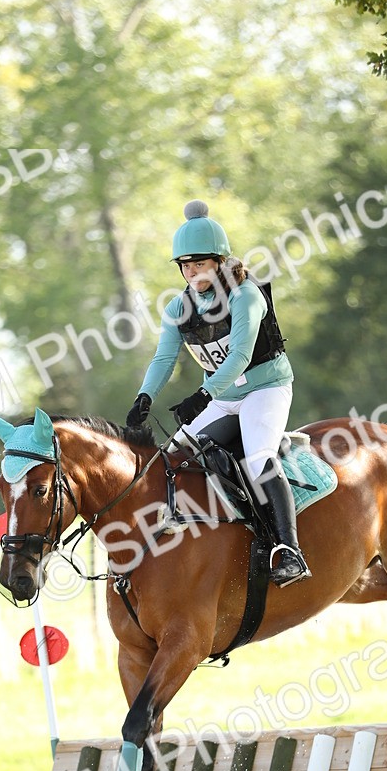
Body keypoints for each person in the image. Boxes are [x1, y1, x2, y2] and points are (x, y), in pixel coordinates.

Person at [126, 200, 310, 587]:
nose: (192, 273)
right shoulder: (180, 307)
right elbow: (164, 358)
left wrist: (202, 394)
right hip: (223, 395)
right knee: (170, 458)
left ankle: (290, 550)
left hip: (266, 388)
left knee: (259, 459)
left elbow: (241, 356)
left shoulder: (246, 296)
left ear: (220, 261)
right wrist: (145, 396)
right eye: (185, 266)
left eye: (200, 264)